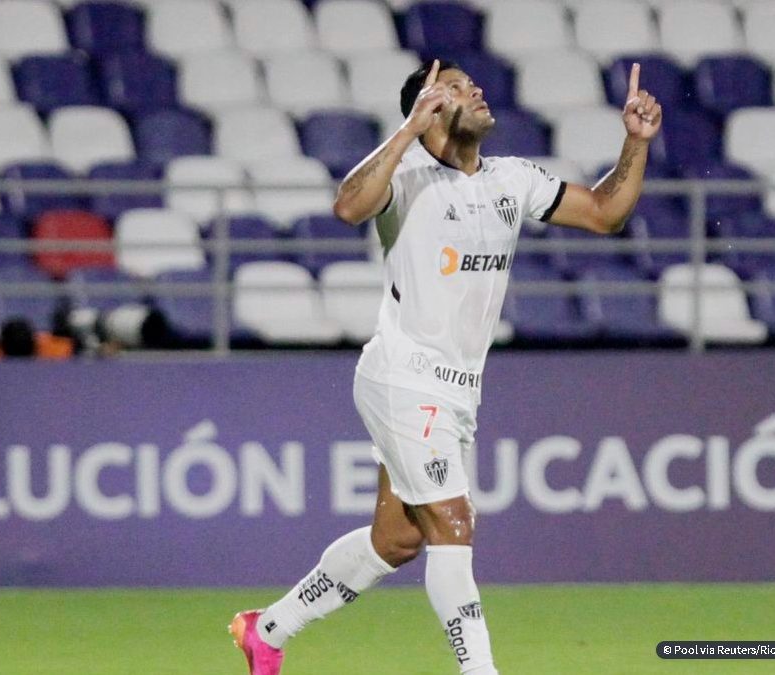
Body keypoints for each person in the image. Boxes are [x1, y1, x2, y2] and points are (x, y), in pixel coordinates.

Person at [229, 57, 662, 675]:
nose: (476, 90)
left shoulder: (512, 179)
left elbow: (603, 212)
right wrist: (408, 130)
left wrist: (635, 144)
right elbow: (348, 207)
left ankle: (266, 630)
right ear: (430, 108)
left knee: (398, 540)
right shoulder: (406, 174)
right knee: (452, 520)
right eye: (456, 88)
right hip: (403, 375)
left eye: (472, 83)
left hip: (457, 390)